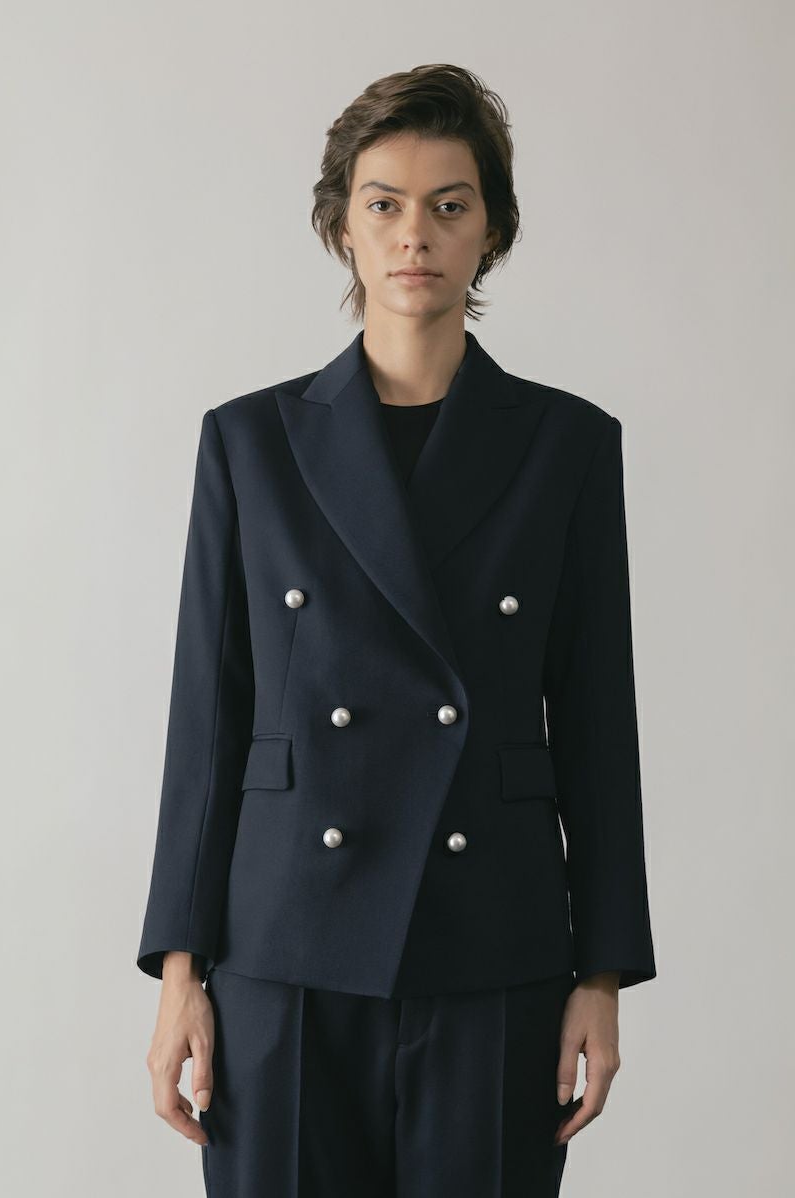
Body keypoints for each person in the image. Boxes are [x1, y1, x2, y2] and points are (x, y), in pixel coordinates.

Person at [138, 63, 656, 1196]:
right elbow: (209, 722)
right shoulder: (250, 443)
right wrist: (180, 972)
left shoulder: (567, 447)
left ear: (491, 230)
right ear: (342, 227)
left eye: (448, 204)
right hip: (281, 951)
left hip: (494, 943)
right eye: (384, 203)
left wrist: (601, 974)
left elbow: (594, 723)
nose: (414, 233)